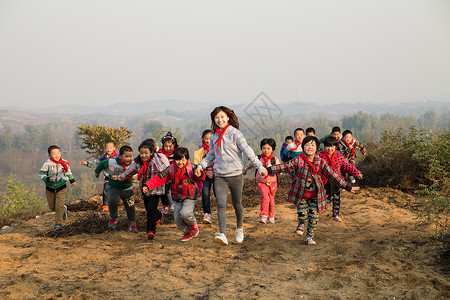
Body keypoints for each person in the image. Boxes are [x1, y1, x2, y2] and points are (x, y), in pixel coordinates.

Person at [195, 106, 267, 246]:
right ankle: (222, 234)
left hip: (235, 175)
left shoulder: (235, 134)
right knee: (221, 205)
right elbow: (211, 155)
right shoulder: (214, 135)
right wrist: (200, 166)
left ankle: (239, 227)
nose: (219, 120)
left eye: (222, 117)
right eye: (216, 117)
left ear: (228, 117)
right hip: (219, 176)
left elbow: (248, 151)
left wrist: (260, 166)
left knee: (237, 203)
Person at [266, 136, 359, 245]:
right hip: (301, 194)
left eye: (312, 145)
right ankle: (301, 223)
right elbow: (285, 166)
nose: (310, 147)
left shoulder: (321, 162)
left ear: (317, 148)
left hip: (316, 195)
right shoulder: (299, 160)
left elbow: (333, 175)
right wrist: (268, 170)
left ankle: (310, 237)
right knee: (302, 213)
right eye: (307, 145)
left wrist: (347, 187)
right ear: (303, 147)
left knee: (314, 217)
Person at [143, 147, 206, 242]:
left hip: (189, 196)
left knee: (185, 213)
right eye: (177, 160)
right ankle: (187, 233)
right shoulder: (170, 169)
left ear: (187, 159)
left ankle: (194, 226)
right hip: (176, 197)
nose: (180, 162)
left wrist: (200, 175)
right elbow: (159, 178)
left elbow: (202, 176)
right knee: (177, 219)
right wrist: (148, 185)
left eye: (182, 160)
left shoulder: (192, 167)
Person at [113, 139, 169, 240]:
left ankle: (150, 231)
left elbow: (167, 171)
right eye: (141, 153)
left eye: (146, 153)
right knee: (149, 209)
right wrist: (119, 177)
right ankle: (159, 215)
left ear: (151, 152)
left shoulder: (158, 160)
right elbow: (130, 171)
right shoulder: (138, 162)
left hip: (156, 189)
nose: (143, 155)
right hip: (144, 189)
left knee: (151, 209)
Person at [95, 145, 138, 232]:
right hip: (113, 187)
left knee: (130, 206)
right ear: (120, 156)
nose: (129, 159)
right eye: (126, 157)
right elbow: (102, 164)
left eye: (130, 156)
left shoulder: (133, 165)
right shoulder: (111, 162)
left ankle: (132, 224)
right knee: (113, 201)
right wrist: (97, 172)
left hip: (127, 189)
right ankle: (113, 218)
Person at [319, 136, 363, 221]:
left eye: (332, 146)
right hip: (325, 181)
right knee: (327, 197)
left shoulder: (338, 155)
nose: (329, 149)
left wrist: (356, 172)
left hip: (337, 180)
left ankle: (335, 214)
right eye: (327, 146)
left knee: (337, 198)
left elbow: (346, 166)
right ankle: (324, 205)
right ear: (324, 147)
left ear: (335, 147)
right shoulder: (320, 156)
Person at [39, 145, 76, 230]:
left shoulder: (64, 163)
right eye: (54, 153)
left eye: (58, 153)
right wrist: (47, 179)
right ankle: (63, 208)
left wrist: (72, 180)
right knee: (52, 207)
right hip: (50, 187)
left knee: (58, 206)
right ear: (49, 155)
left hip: (61, 186)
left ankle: (58, 224)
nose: (57, 155)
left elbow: (68, 172)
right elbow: (41, 174)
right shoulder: (47, 164)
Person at [243, 138, 280, 224]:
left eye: (268, 148)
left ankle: (271, 215)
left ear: (272, 149)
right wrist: (245, 170)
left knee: (271, 200)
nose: (266, 150)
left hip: (272, 181)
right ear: (261, 148)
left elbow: (279, 169)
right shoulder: (258, 158)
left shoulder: (275, 160)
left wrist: (271, 167)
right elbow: (250, 164)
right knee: (264, 196)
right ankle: (263, 215)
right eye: (264, 148)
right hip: (261, 181)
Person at [80, 141, 118, 212]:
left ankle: (120, 201)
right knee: (106, 191)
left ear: (114, 148)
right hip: (107, 178)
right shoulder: (103, 157)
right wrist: (87, 163)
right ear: (105, 149)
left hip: (117, 178)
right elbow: (96, 162)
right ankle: (105, 206)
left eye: (110, 148)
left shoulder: (117, 157)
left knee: (118, 191)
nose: (108, 149)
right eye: (107, 148)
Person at [194, 129, 215, 224]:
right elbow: (196, 163)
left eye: (210, 138)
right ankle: (207, 214)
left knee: (218, 194)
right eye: (205, 138)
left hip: (217, 174)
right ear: (202, 139)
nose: (207, 140)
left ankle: (220, 213)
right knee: (205, 194)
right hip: (204, 175)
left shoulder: (217, 148)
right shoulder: (199, 150)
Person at [158, 132, 178, 213]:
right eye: (166, 146)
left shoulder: (177, 153)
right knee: (164, 190)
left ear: (174, 145)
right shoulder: (160, 153)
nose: (168, 148)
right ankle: (165, 205)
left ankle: (173, 204)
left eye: (170, 146)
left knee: (173, 190)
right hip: (164, 175)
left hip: (174, 174)